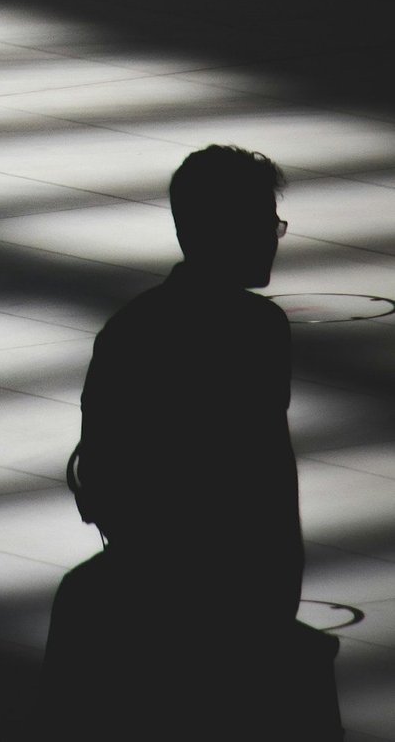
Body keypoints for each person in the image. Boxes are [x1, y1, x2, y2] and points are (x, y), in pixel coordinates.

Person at [38, 144, 342, 740]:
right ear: (228, 229)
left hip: (145, 574)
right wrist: (275, 597)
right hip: (228, 588)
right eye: (265, 223)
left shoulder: (130, 328)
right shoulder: (257, 330)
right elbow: (263, 477)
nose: (275, 238)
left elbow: (100, 467)